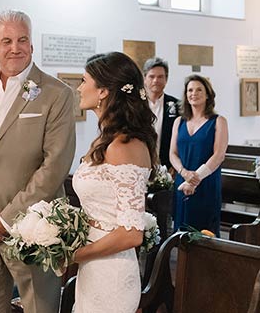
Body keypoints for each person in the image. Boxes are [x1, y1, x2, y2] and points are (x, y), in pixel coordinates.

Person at [0, 9, 76, 313]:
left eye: (23, 40)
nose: (15, 47)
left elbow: (55, 165)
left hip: (32, 230)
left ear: (32, 46)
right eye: (6, 40)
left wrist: (8, 219)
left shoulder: (57, 93)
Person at [71, 52, 158, 313]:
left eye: (84, 80)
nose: (78, 88)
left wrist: (74, 256)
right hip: (94, 266)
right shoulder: (106, 139)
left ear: (103, 92)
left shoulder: (125, 145)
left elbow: (131, 234)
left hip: (112, 272)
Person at [169, 74, 228, 235]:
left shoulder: (218, 121)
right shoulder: (179, 122)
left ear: (208, 94)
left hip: (206, 183)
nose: (193, 93)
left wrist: (196, 179)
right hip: (182, 180)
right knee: (180, 235)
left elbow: (219, 155)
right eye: (190, 90)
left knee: (204, 235)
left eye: (199, 90)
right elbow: (173, 154)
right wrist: (184, 173)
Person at [143, 57, 180, 169]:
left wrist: (176, 167)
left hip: (167, 167)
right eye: (151, 76)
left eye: (160, 77)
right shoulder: (135, 104)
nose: (156, 80)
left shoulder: (177, 105)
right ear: (144, 78)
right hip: (140, 164)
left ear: (166, 79)